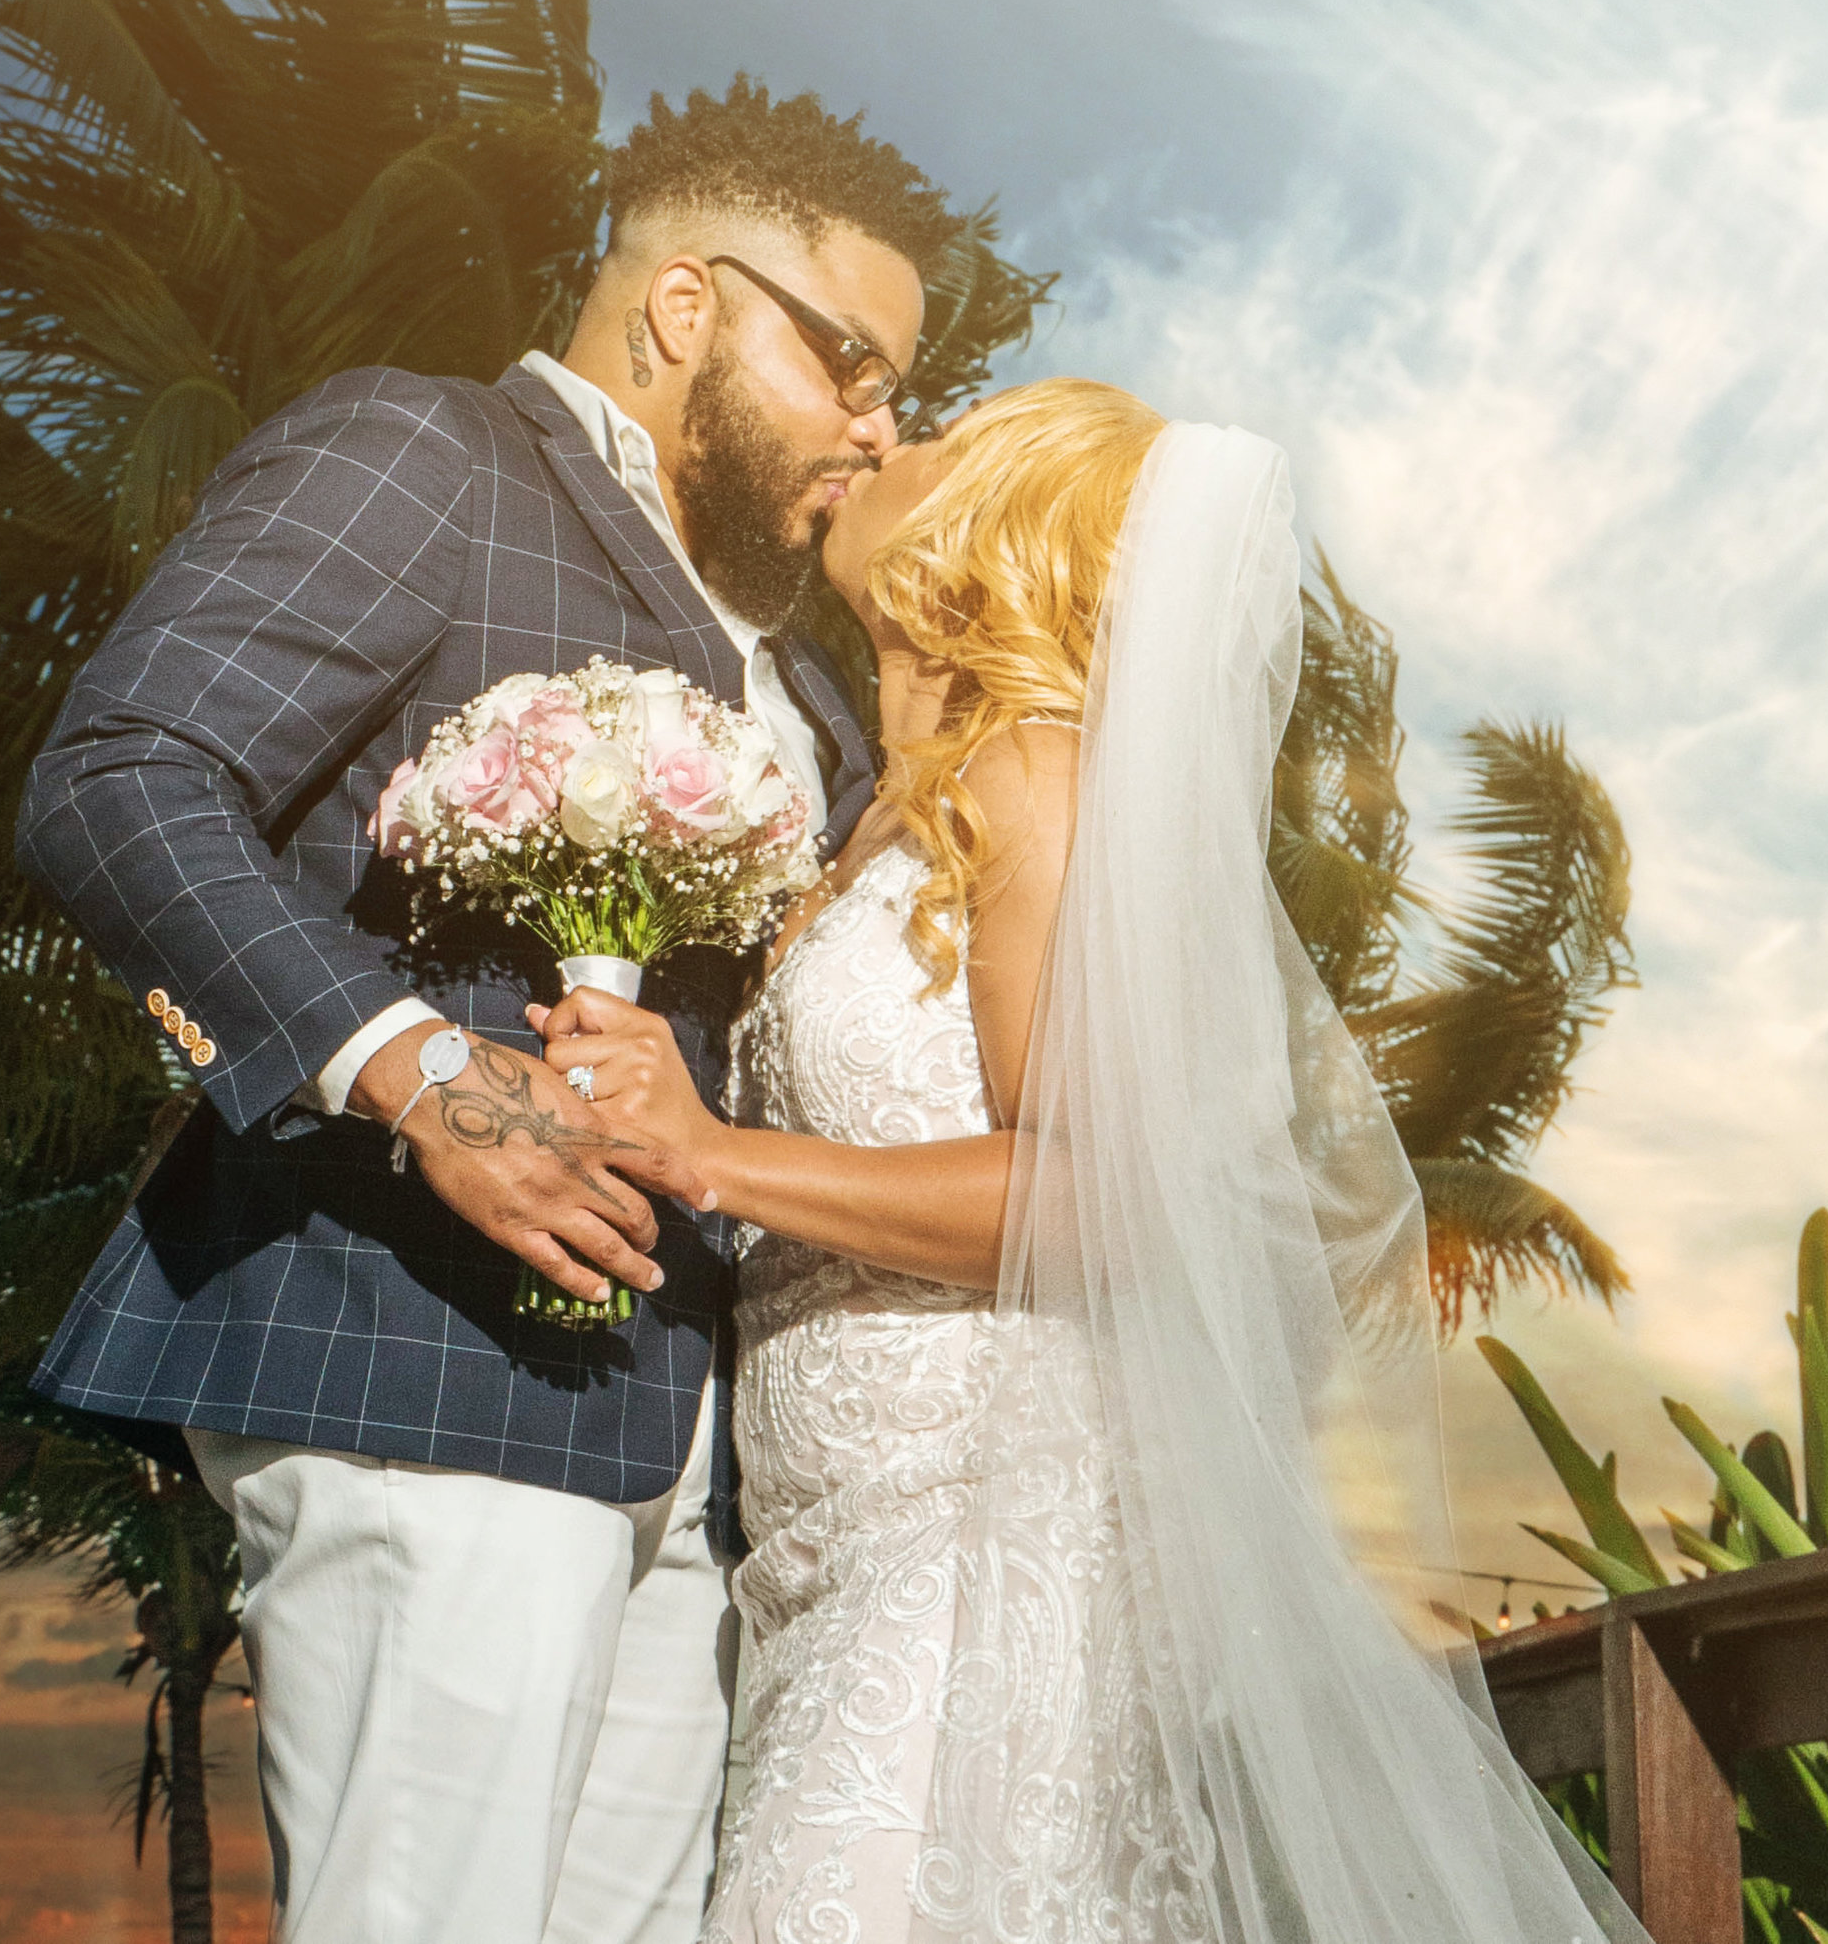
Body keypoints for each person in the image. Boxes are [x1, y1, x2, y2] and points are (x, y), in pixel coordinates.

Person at [14, 77, 962, 1944]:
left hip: (694, 1455)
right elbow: (118, 776)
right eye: (850, 363)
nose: (881, 420)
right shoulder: (423, 455)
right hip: (416, 1368)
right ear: (688, 305)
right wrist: (428, 1075)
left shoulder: (819, 689)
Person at [539, 380, 1649, 1942]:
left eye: (927, 442)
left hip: (985, 1543)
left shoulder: (1035, 781)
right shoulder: (876, 819)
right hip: (827, 1547)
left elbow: (1092, 1190)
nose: (876, 441)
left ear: (997, 531)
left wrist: (712, 1157)